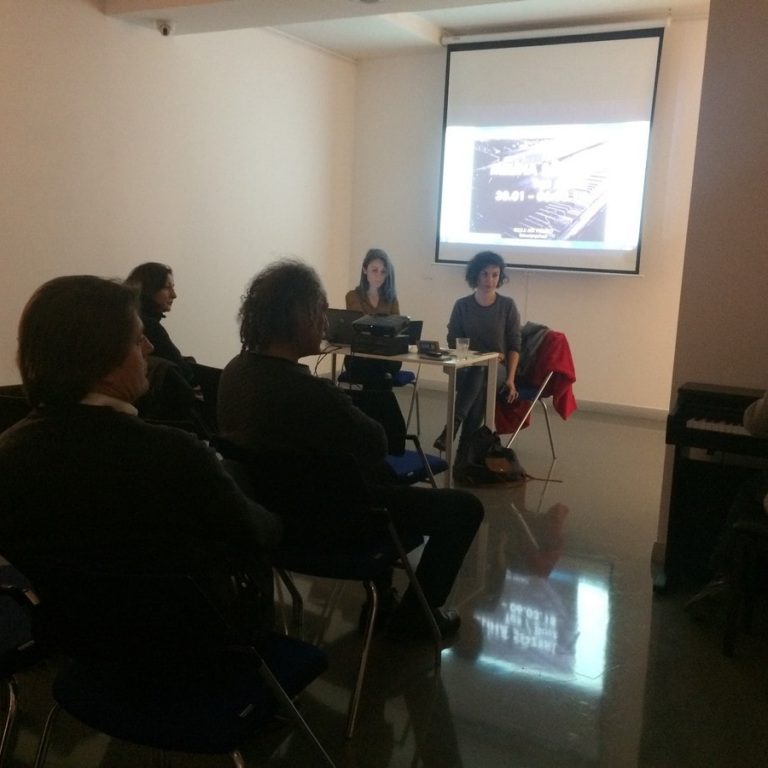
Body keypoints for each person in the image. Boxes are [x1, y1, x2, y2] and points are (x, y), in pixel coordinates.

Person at [217, 259, 485, 640]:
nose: (325, 321)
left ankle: (384, 598)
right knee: (464, 508)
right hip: (334, 525)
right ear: (297, 316)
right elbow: (376, 443)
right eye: (319, 311)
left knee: (370, 475)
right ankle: (415, 621)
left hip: (269, 516)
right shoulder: (312, 394)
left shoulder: (234, 373)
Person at [0, 275, 281, 634]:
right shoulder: (175, 455)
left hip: (79, 643)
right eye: (137, 339)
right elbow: (256, 532)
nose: (148, 347)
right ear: (102, 362)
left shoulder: (8, 453)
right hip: (196, 643)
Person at [434, 250, 522, 452]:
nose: (490, 280)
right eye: (485, 274)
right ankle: (464, 454)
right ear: (475, 274)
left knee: (483, 371)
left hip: (498, 368)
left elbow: (515, 345)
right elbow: (453, 340)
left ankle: (452, 426)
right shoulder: (462, 305)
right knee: (479, 380)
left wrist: (511, 379)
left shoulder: (507, 306)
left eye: (495, 275)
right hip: (467, 365)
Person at [125, 262, 196, 385]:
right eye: (167, 288)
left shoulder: (129, 319)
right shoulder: (150, 327)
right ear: (149, 289)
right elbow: (185, 373)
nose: (174, 295)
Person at [344, 248, 402, 389]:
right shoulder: (353, 296)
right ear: (365, 270)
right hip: (360, 355)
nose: (379, 276)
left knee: (381, 369)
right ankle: (383, 400)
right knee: (379, 376)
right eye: (374, 270)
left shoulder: (391, 299)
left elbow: (397, 328)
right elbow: (359, 325)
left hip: (385, 354)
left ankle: (370, 402)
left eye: (383, 272)